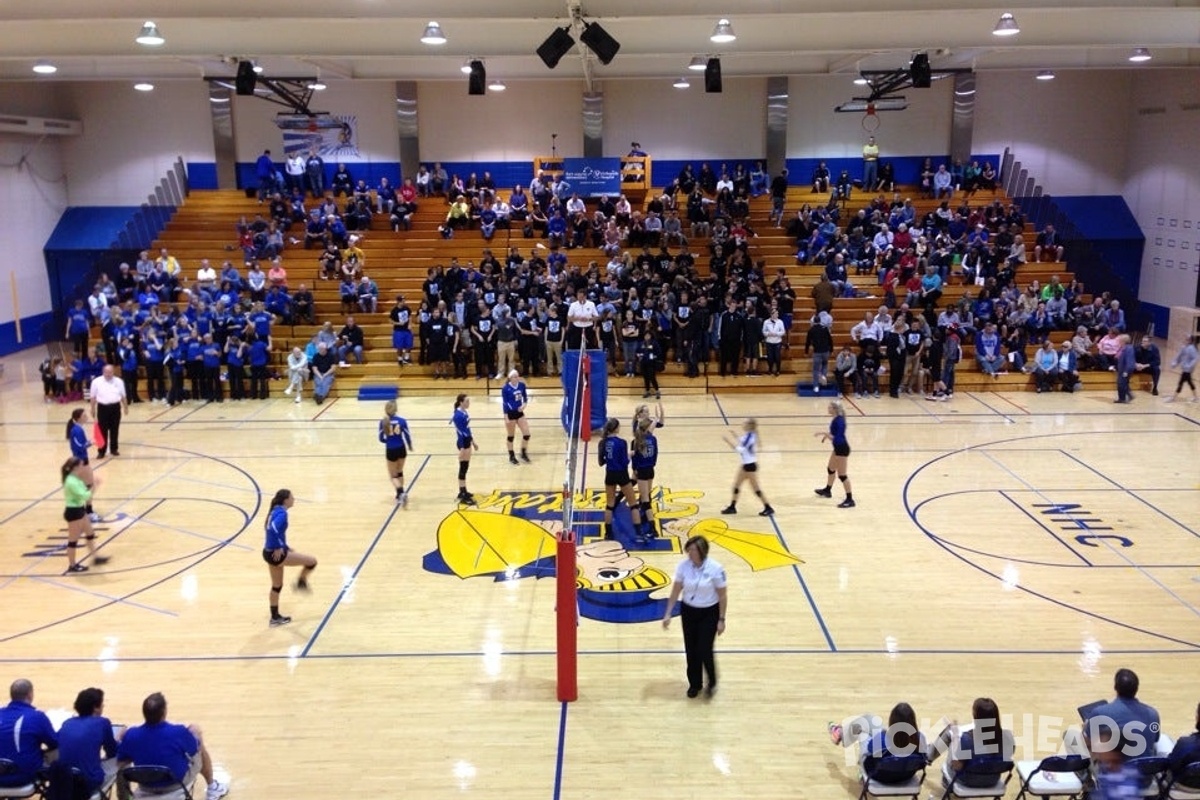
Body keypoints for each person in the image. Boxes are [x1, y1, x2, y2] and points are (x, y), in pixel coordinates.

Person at [116, 692, 228, 800]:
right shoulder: (179, 732)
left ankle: (124, 797)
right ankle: (213, 787)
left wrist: (121, 739)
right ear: (164, 712)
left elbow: (120, 760)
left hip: (146, 786)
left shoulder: (131, 735)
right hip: (176, 784)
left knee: (121, 763)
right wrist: (196, 734)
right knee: (199, 744)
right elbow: (194, 749)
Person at [661, 535, 727, 699]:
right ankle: (694, 684)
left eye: (693, 550)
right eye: (688, 550)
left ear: (702, 551)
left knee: (704, 649)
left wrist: (721, 619)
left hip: (709, 612)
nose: (689, 553)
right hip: (689, 612)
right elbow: (676, 590)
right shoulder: (683, 567)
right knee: (691, 649)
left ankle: (711, 682)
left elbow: (723, 596)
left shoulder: (715, 568)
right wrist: (668, 612)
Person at [261, 488, 317, 627]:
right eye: (292, 497)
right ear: (286, 500)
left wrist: (284, 545)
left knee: (277, 586)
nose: (294, 499)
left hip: (268, 552)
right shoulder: (282, 513)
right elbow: (273, 529)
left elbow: (271, 531)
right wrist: (280, 546)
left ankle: (274, 618)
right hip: (276, 554)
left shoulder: (274, 510)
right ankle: (301, 582)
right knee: (312, 562)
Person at [54, 687, 120, 799]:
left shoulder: (67, 723)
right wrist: (119, 738)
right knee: (124, 758)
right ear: (95, 707)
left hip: (64, 781)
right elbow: (112, 752)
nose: (103, 706)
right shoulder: (103, 722)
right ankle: (125, 797)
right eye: (102, 703)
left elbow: (58, 743)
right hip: (88, 783)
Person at [943, 698, 1015, 789]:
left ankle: (944, 781)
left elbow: (957, 767)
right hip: (993, 779)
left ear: (975, 716)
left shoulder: (967, 739)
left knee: (952, 744)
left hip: (968, 780)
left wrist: (955, 739)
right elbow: (1008, 756)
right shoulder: (1008, 736)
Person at [0, 679, 57, 790]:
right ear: (30, 694)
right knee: (59, 752)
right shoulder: (37, 716)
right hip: (24, 776)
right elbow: (55, 742)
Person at [597, 418, 649, 540]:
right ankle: (639, 533)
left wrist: (610, 460)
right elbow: (624, 462)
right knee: (633, 505)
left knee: (609, 505)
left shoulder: (602, 443)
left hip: (609, 474)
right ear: (616, 428)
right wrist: (629, 455)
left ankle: (608, 533)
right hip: (622, 474)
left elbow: (601, 462)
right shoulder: (622, 442)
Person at [62, 457, 108, 572]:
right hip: (74, 512)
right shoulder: (71, 481)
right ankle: (72, 565)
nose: (83, 467)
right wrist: (95, 486)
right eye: (82, 465)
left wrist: (91, 487)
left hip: (80, 510)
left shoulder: (75, 478)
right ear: (76, 467)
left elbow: (85, 492)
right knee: (73, 540)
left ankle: (95, 557)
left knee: (90, 533)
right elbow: (85, 496)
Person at [721, 419, 774, 516]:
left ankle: (768, 507)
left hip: (750, 466)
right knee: (736, 486)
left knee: (756, 489)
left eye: (744, 423)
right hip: (745, 465)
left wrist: (728, 441)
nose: (742, 424)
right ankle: (732, 507)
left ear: (749, 426)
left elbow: (740, 449)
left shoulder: (750, 437)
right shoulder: (749, 435)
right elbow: (742, 441)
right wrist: (735, 435)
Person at [814, 401, 855, 508]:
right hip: (837, 448)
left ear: (835, 409)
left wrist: (825, 434)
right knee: (830, 469)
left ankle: (850, 499)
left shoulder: (840, 421)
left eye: (830, 407)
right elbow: (834, 434)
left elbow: (838, 438)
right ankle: (827, 490)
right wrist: (827, 436)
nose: (828, 408)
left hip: (841, 449)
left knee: (842, 475)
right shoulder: (836, 419)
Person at [66, 407, 99, 522]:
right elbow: (78, 446)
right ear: (79, 418)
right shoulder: (76, 430)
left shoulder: (78, 429)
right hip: (80, 462)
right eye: (84, 416)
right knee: (89, 486)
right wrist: (90, 443)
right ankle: (87, 511)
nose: (86, 417)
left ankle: (84, 510)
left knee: (88, 486)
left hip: (82, 461)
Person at [631, 416, 659, 544]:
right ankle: (645, 519)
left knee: (645, 500)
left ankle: (653, 528)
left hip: (641, 471)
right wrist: (652, 464)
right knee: (646, 496)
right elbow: (656, 454)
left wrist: (635, 469)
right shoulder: (653, 439)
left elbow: (635, 459)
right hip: (650, 469)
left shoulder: (636, 441)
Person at [379, 400, 413, 504]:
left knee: (393, 476)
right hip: (401, 448)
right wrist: (410, 445)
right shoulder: (402, 421)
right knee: (399, 472)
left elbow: (380, 438)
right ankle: (399, 495)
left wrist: (388, 441)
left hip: (391, 450)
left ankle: (401, 493)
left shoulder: (383, 422)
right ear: (396, 409)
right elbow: (407, 435)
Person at [89, 364, 127, 457]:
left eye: (110, 372)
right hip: (102, 408)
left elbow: (123, 396)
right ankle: (101, 451)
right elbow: (93, 397)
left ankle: (114, 449)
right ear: (103, 372)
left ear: (113, 372)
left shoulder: (119, 381)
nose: (108, 374)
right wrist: (92, 409)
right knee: (102, 430)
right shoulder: (96, 382)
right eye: (106, 372)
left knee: (115, 428)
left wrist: (125, 407)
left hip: (115, 407)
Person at [452, 394, 478, 505]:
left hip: (467, 441)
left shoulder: (464, 412)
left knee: (465, 467)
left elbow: (467, 429)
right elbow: (460, 433)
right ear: (461, 402)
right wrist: (462, 448)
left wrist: (473, 441)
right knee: (463, 468)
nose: (469, 403)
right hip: (463, 443)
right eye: (467, 401)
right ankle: (462, 494)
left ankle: (463, 491)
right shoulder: (458, 415)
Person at [501, 370, 531, 465]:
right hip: (510, 414)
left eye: (517, 376)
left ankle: (523, 452)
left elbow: (525, 397)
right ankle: (511, 456)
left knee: (527, 434)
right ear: (510, 378)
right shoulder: (505, 388)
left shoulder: (521, 385)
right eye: (514, 376)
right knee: (511, 436)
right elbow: (505, 403)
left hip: (519, 413)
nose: (516, 378)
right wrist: (506, 416)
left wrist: (524, 405)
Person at [1168, 702, 1200, 791]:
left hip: (1185, 786)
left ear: (1198, 717)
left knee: (1164, 740)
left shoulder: (1185, 742)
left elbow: (1171, 765)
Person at [1166, 334, 1199, 403]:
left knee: (1181, 383)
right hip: (1185, 369)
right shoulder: (1184, 347)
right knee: (1189, 383)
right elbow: (1180, 357)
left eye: (1187, 339)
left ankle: (1173, 398)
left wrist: (1189, 366)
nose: (1185, 340)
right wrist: (1174, 363)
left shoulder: (1192, 349)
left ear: (1190, 340)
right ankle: (1196, 397)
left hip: (1187, 370)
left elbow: (1195, 359)